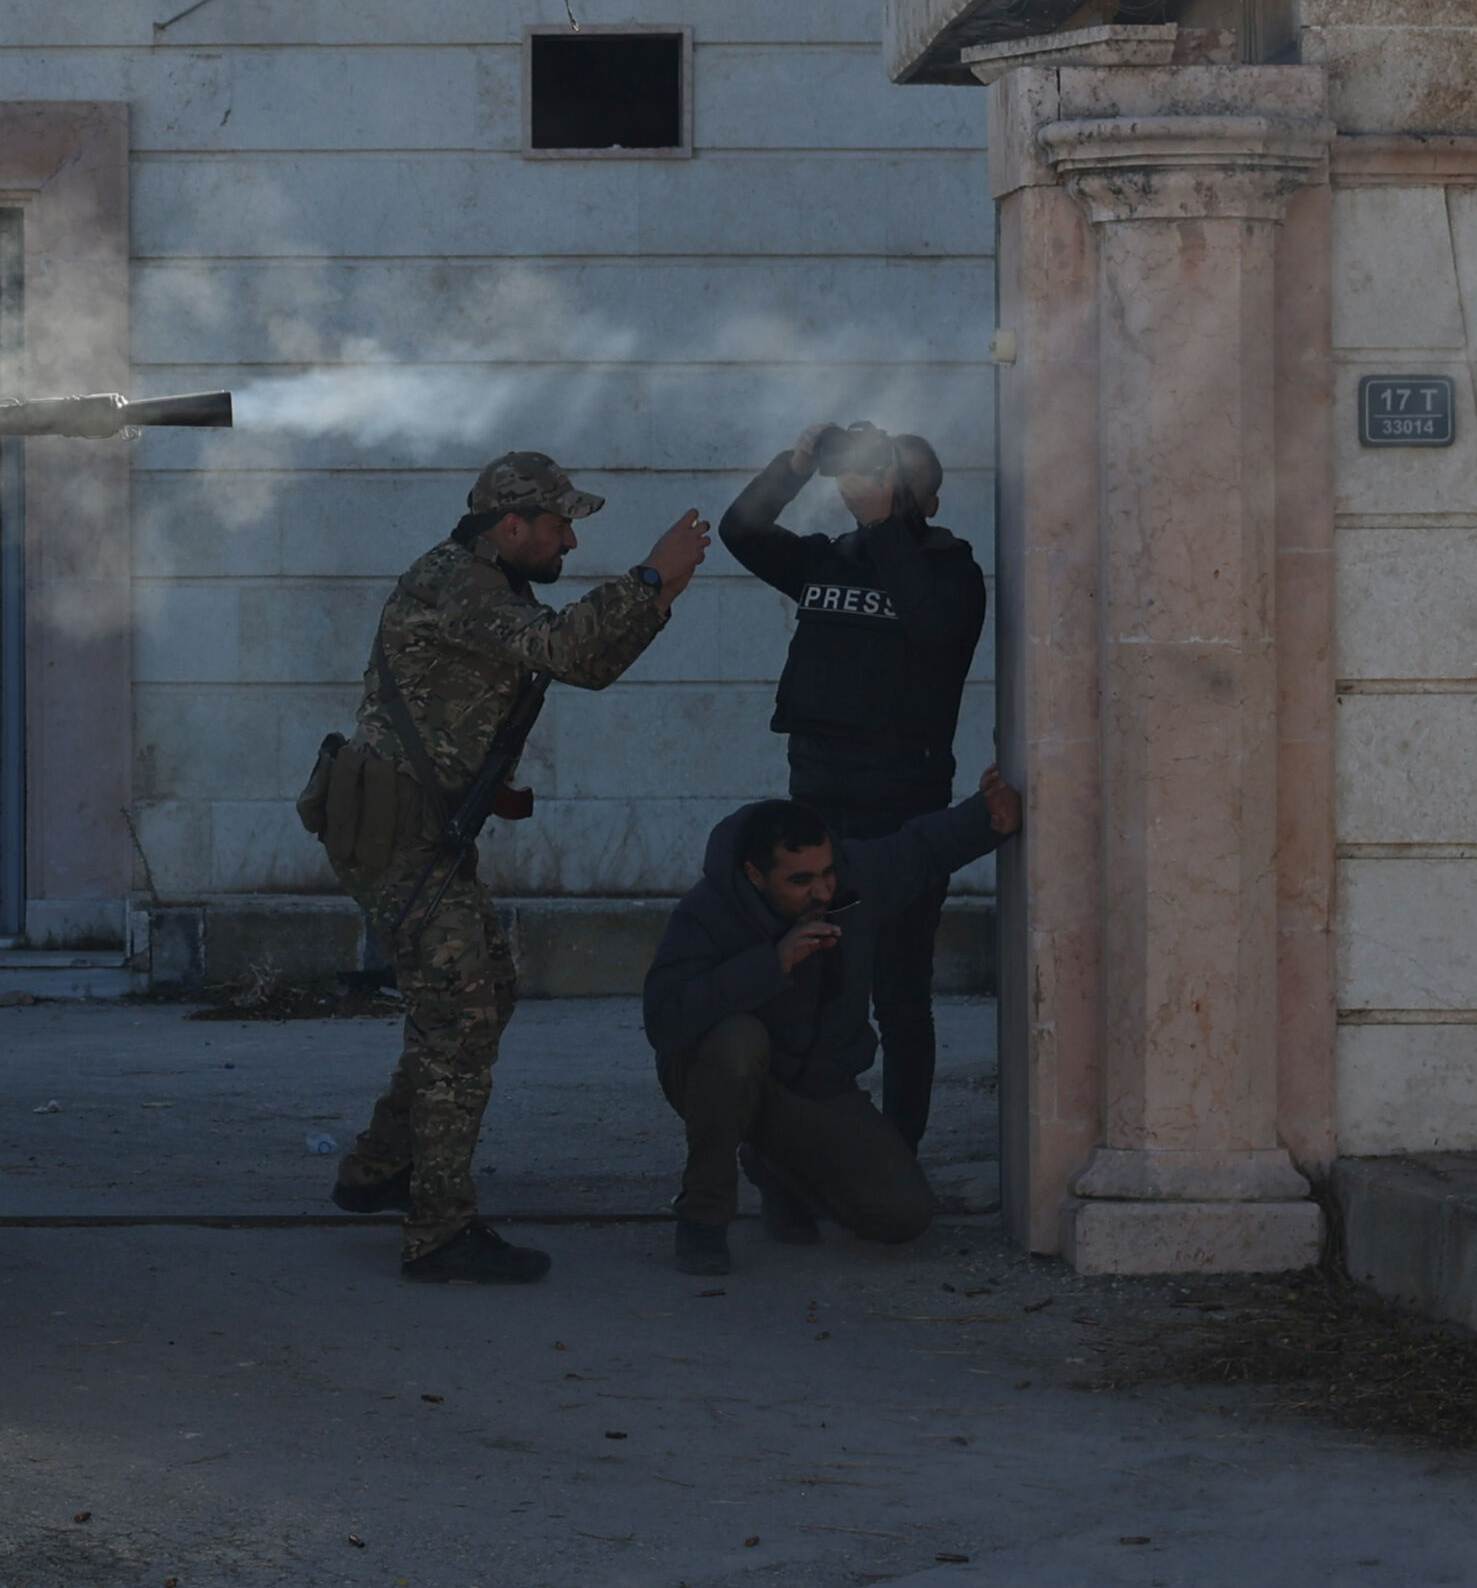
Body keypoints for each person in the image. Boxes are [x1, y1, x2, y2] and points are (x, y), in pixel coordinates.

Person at [325, 452, 713, 1286]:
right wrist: (650, 573)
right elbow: (564, 650)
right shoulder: (457, 587)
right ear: (511, 525)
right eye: (560, 524)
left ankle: (381, 1166)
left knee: (478, 995)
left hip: (413, 827)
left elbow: (587, 662)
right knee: (459, 1020)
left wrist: (659, 594)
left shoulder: (481, 582)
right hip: (397, 832)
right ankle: (437, 1230)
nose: (570, 540)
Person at [717, 422, 987, 1171]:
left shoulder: (951, 573)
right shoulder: (825, 561)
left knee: (899, 993)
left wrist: (881, 523)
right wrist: (796, 465)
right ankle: (795, 1160)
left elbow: (932, 632)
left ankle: (895, 1158)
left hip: (904, 806)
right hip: (818, 806)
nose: (870, 483)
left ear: (924, 497)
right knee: (804, 986)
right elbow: (741, 530)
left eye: (890, 475)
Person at [641, 774, 1021, 1273]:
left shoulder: (853, 877)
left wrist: (989, 817)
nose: (821, 890)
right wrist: (771, 963)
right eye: (800, 881)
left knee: (902, 1216)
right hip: (714, 1075)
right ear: (756, 875)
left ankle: (776, 1169)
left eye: (826, 872)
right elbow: (665, 1019)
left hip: (819, 1087)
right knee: (737, 1041)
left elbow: (921, 848)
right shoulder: (708, 912)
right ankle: (703, 1218)